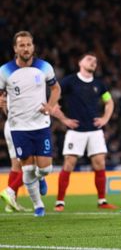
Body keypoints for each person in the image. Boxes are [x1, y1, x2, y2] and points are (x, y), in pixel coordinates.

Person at [0, 31, 61, 217]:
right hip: (18, 127)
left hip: (41, 125)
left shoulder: (44, 67)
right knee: (26, 168)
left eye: (28, 45)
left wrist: (50, 106)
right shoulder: (4, 71)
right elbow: (1, 95)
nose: (25, 48)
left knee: (45, 168)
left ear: (33, 47)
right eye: (21, 45)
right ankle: (38, 206)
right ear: (15, 48)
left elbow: (55, 88)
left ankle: (41, 178)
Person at [51, 53, 117, 211]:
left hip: (94, 130)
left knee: (100, 163)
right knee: (69, 164)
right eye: (89, 59)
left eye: (95, 60)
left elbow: (109, 102)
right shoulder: (69, 81)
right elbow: (53, 102)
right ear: (79, 62)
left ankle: (102, 201)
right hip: (76, 131)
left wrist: (105, 119)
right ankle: (60, 202)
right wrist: (64, 120)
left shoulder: (99, 84)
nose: (93, 62)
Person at [0, 97, 31, 212]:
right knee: (33, 165)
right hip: (20, 126)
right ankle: (10, 191)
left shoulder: (7, 83)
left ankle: (11, 203)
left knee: (16, 166)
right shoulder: (22, 82)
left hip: (10, 125)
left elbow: (3, 103)